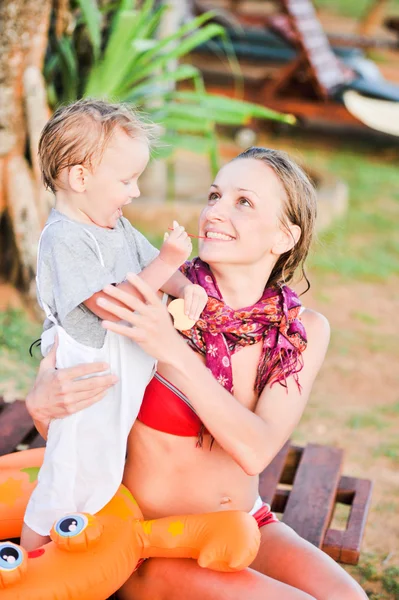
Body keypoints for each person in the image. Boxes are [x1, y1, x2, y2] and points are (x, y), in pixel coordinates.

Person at [26, 147, 367, 599]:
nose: (214, 212)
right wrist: (41, 402)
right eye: (214, 195)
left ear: (284, 236)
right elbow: (67, 413)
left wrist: (174, 353)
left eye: (243, 202)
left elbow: (255, 450)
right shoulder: (149, 299)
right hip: (145, 539)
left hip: (244, 522)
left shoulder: (300, 330)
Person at [21, 99, 207, 551]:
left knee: (101, 466)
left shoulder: (114, 223)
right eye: (126, 180)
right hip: (90, 373)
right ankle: (29, 557)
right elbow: (114, 307)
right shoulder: (64, 238)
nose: (136, 192)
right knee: (68, 469)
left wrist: (186, 289)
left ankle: (73, 548)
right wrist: (169, 262)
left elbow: (147, 264)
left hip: (119, 372)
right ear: (80, 178)